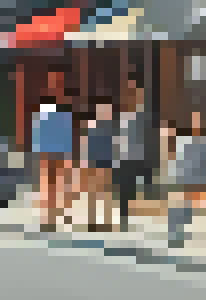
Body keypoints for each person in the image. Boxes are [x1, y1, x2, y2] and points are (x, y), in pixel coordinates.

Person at [165, 110, 206, 248]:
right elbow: (177, 161)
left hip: (198, 181)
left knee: (189, 209)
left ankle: (181, 235)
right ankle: (176, 236)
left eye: (199, 121)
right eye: (194, 120)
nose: (197, 124)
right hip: (184, 180)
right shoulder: (183, 140)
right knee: (178, 209)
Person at [31, 84, 77, 232]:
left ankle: (53, 217)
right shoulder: (60, 114)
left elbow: (39, 135)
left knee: (53, 186)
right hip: (55, 153)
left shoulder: (51, 113)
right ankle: (55, 217)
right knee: (56, 186)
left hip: (53, 152)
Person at [114, 82, 154, 228]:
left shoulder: (145, 117)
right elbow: (117, 138)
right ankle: (124, 219)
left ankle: (145, 218)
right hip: (125, 158)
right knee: (125, 192)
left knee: (146, 189)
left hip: (141, 157)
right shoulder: (121, 116)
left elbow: (149, 138)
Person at [79, 97, 121, 231]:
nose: (104, 112)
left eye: (106, 109)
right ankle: (93, 221)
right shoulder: (91, 125)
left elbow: (117, 147)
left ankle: (107, 220)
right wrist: (84, 162)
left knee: (107, 192)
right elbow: (84, 144)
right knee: (93, 193)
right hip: (93, 163)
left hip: (107, 164)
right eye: (102, 109)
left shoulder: (114, 128)